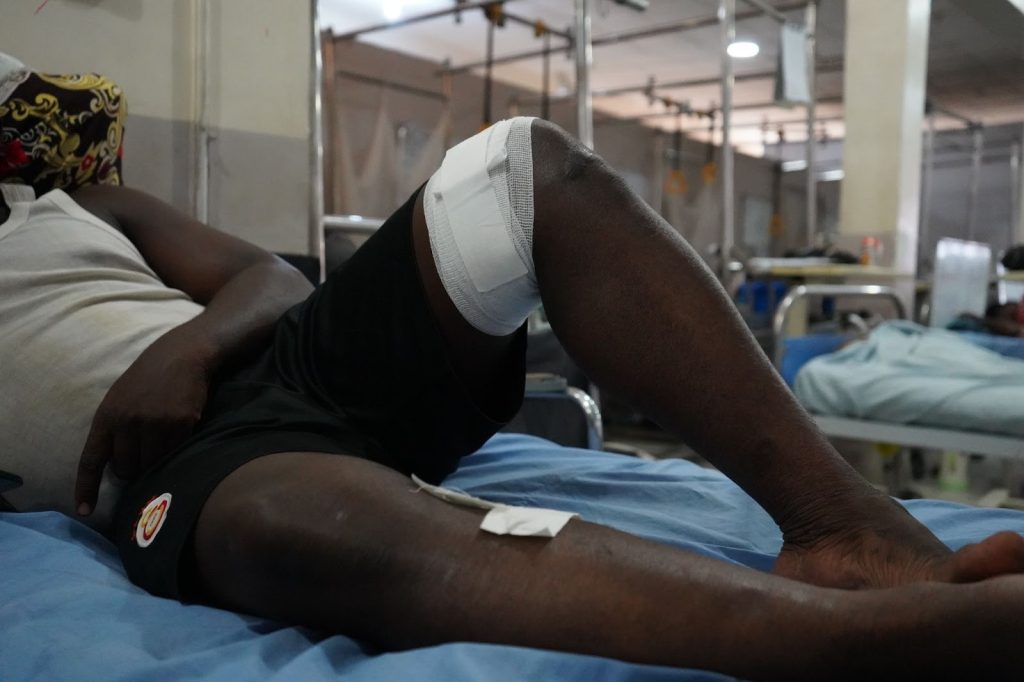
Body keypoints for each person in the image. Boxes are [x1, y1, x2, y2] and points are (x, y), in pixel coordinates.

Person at [2, 117, 1024, 680]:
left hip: (289, 363)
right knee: (287, 522)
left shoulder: (81, 207)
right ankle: (850, 646)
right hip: (190, 471)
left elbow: (270, 279)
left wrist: (183, 349)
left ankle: (844, 528)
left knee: (527, 170)